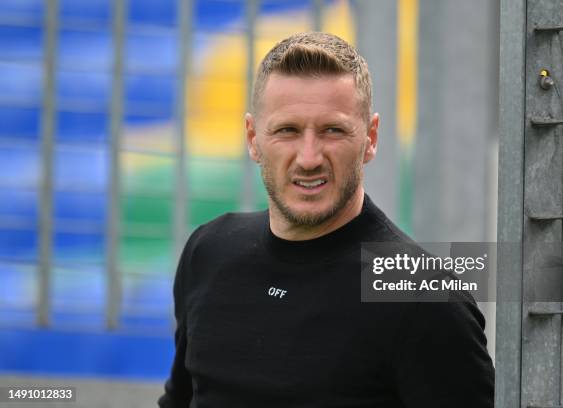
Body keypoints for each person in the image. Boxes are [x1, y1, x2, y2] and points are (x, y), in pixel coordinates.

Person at [158, 32, 494, 407]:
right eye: (288, 130)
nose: (309, 157)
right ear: (253, 138)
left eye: (332, 130)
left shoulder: (424, 297)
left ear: (370, 138)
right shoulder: (209, 250)